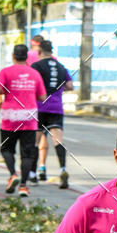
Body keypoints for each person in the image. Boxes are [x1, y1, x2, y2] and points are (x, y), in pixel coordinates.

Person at [0, 43, 46, 197]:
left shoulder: (6, 71)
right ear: (27, 57)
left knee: (6, 149)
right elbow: (42, 97)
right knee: (27, 154)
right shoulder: (34, 73)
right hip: (29, 118)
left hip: (10, 117)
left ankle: (13, 174)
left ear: (13, 56)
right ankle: (23, 186)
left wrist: (8, 88)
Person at [30, 40, 74, 189]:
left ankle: (33, 174)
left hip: (40, 107)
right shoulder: (61, 67)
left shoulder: (36, 66)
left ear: (39, 52)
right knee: (58, 140)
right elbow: (70, 86)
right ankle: (63, 169)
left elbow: (32, 84)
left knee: (35, 141)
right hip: (56, 107)